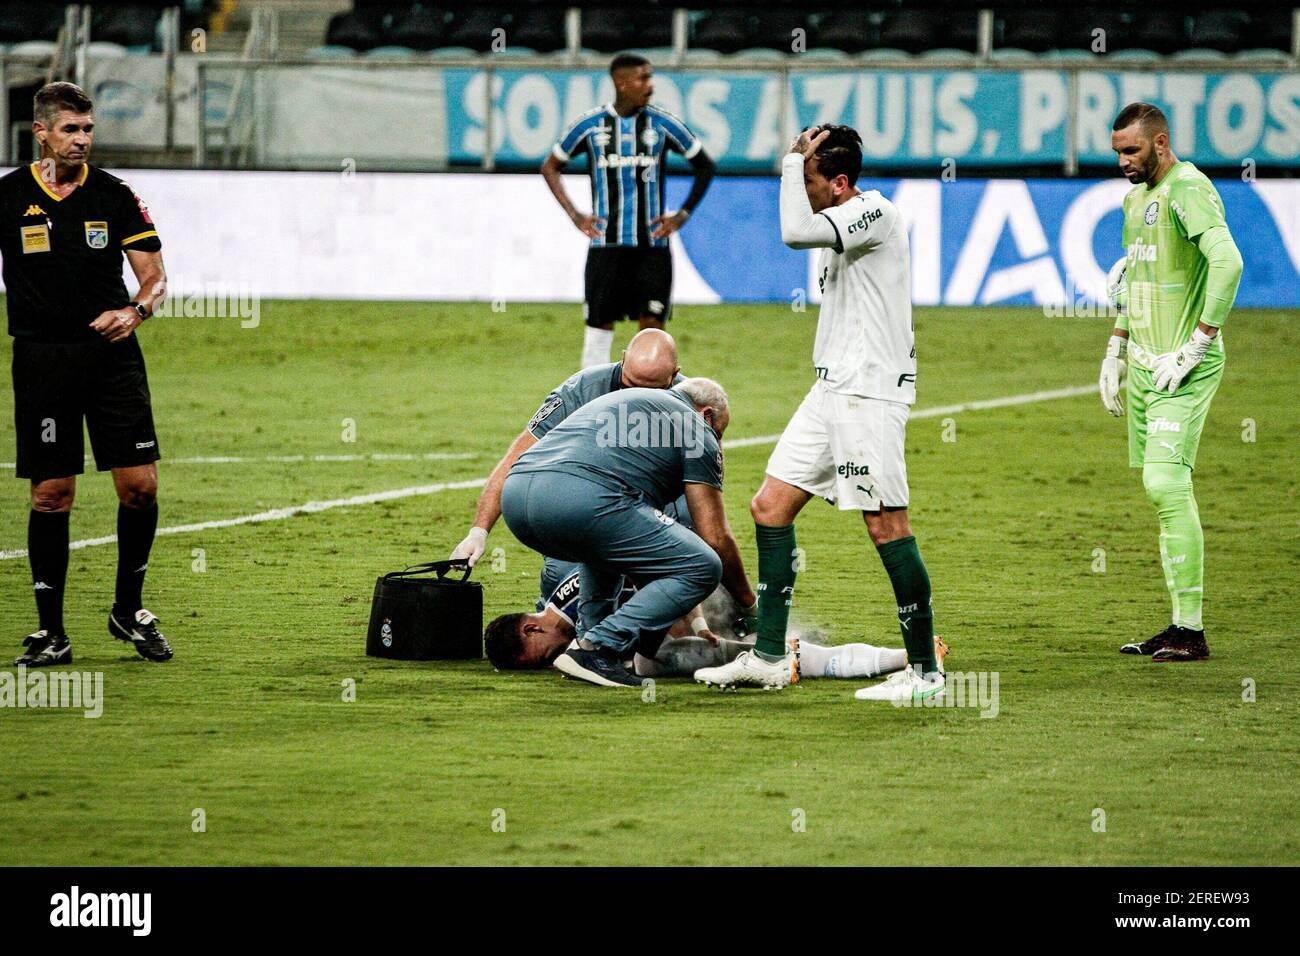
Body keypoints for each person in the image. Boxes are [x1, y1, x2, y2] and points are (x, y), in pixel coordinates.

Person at [694, 125, 941, 703]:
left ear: (840, 184)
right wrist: (793, 167)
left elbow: (793, 233)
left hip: (869, 395)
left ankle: (927, 671)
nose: (801, 189)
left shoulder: (874, 214)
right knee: (769, 508)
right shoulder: (843, 223)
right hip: (831, 389)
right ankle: (772, 657)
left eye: (809, 180)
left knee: (885, 524)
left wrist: (786, 161)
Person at [1, 82, 173, 666]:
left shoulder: (116, 195)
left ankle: (129, 609)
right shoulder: (8, 198)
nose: (82, 140)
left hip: (112, 362)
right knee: (52, 495)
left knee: (140, 486)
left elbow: (154, 277)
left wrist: (137, 311)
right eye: (70, 129)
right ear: (41, 133)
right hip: (43, 362)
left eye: (88, 129)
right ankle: (52, 633)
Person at [1100, 102, 1242, 662]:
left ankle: (1192, 630)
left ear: (1160, 143)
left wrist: (1198, 343)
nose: (1122, 162)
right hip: (1145, 364)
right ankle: (1180, 627)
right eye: (1116, 152)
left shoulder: (1188, 187)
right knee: (1159, 492)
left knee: (1165, 483)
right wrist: (1116, 346)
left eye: (1130, 151)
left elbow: (1228, 263)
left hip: (1183, 364)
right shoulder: (1135, 200)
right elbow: (1138, 279)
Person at [500, 378, 755, 687]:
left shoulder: (627, 400)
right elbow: (715, 537)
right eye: (720, 432)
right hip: (580, 500)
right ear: (706, 415)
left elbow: (634, 551)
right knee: (703, 565)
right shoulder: (695, 427)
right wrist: (750, 606)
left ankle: (593, 646)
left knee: (605, 549)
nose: (718, 442)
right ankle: (598, 648)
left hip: (516, 499)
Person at [483, 550, 948, 682]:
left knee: (657, 660)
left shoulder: (584, 605)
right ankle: (907, 657)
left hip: (705, 584)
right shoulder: (563, 596)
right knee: (655, 657)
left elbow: (669, 572)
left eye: (542, 657)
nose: (553, 660)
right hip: (696, 583)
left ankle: (914, 658)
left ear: (532, 626)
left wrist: (701, 626)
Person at [449, 328, 680, 568]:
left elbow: (705, 487)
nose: (634, 399)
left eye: (650, 392)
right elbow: (518, 457)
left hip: (652, 510)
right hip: (587, 511)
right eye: (628, 385)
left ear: (673, 377)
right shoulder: (580, 391)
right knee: (563, 577)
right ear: (622, 360)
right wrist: (479, 531)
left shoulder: (690, 406)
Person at [540, 53, 716, 368]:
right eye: (642, 78)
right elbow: (551, 166)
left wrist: (682, 214)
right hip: (606, 246)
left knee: (652, 332)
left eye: (650, 77)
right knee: (598, 331)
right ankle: (591, 405)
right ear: (621, 83)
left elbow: (704, 166)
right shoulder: (591, 126)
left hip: (652, 248)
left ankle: (649, 404)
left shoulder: (662, 124)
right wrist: (574, 214)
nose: (650, 86)